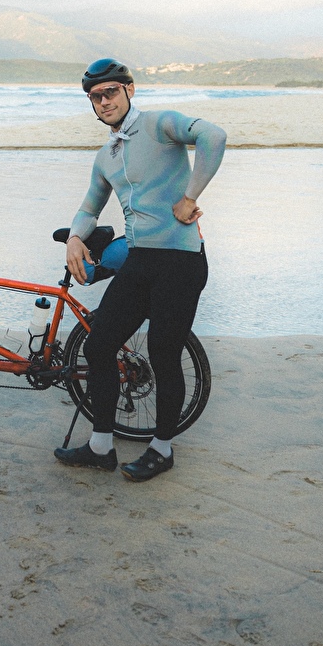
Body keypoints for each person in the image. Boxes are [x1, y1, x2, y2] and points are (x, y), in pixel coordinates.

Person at [55, 58, 226, 480]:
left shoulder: (159, 124)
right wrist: (76, 237)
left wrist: (190, 197)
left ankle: (162, 448)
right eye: (95, 96)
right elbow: (89, 206)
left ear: (129, 90)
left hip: (180, 261)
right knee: (98, 347)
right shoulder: (107, 154)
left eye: (110, 92)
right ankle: (100, 446)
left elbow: (213, 136)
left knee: (163, 353)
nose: (103, 101)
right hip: (140, 260)